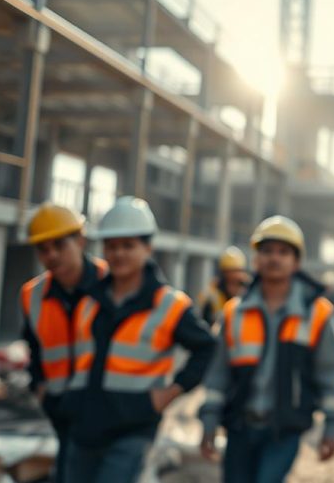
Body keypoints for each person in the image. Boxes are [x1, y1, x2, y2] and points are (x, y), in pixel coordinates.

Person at [62, 197, 215, 483]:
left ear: (148, 247)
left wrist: (168, 395)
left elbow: (207, 349)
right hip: (83, 427)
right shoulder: (88, 299)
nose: (118, 253)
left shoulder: (169, 304)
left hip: (132, 429)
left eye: (128, 246)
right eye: (111, 246)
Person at [199, 216, 334, 483]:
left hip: (285, 428)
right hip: (239, 426)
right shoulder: (235, 312)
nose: (274, 258)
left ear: (296, 261)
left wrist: (332, 425)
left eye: (283, 252)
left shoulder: (317, 313)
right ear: (256, 259)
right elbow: (218, 373)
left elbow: (330, 373)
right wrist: (209, 420)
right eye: (267, 251)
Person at [20, 204, 108, 483]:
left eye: (59, 244)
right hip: (61, 408)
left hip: (107, 405)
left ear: (80, 240)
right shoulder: (32, 295)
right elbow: (34, 348)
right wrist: (40, 388)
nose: (52, 255)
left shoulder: (113, 281)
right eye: (43, 249)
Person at [198, 246, 251, 326]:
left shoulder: (251, 290)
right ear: (224, 273)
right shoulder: (211, 295)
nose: (235, 275)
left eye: (238, 270)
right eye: (231, 271)